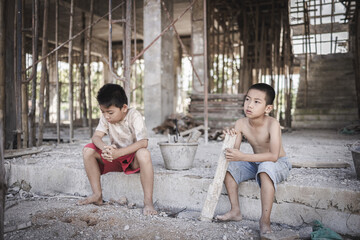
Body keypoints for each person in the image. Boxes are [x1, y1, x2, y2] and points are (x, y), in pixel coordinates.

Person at [216, 83, 291, 234]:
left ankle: (265, 220)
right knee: (229, 168)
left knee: (265, 168)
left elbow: (273, 156)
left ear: (268, 108)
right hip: (255, 161)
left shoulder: (273, 124)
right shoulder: (241, 123)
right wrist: (229, 138)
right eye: (247, 99)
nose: (249, 105)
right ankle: (235, 210)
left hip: (277, 163)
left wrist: (243, 156)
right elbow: (234, 152)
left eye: (257, 102)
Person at [78, 83, 157, 215]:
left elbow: (143, 142)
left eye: (110, 112)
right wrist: (105, 149)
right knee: (88, 150)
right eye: (103, 112)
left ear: (124, 108)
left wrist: (118, 153)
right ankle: (97, 195)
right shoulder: (106, 118)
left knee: (144, 154)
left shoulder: (134, 115)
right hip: (114, 157)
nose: (106, 116)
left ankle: (148, 203)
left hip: (131, 159)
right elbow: (96, 137)